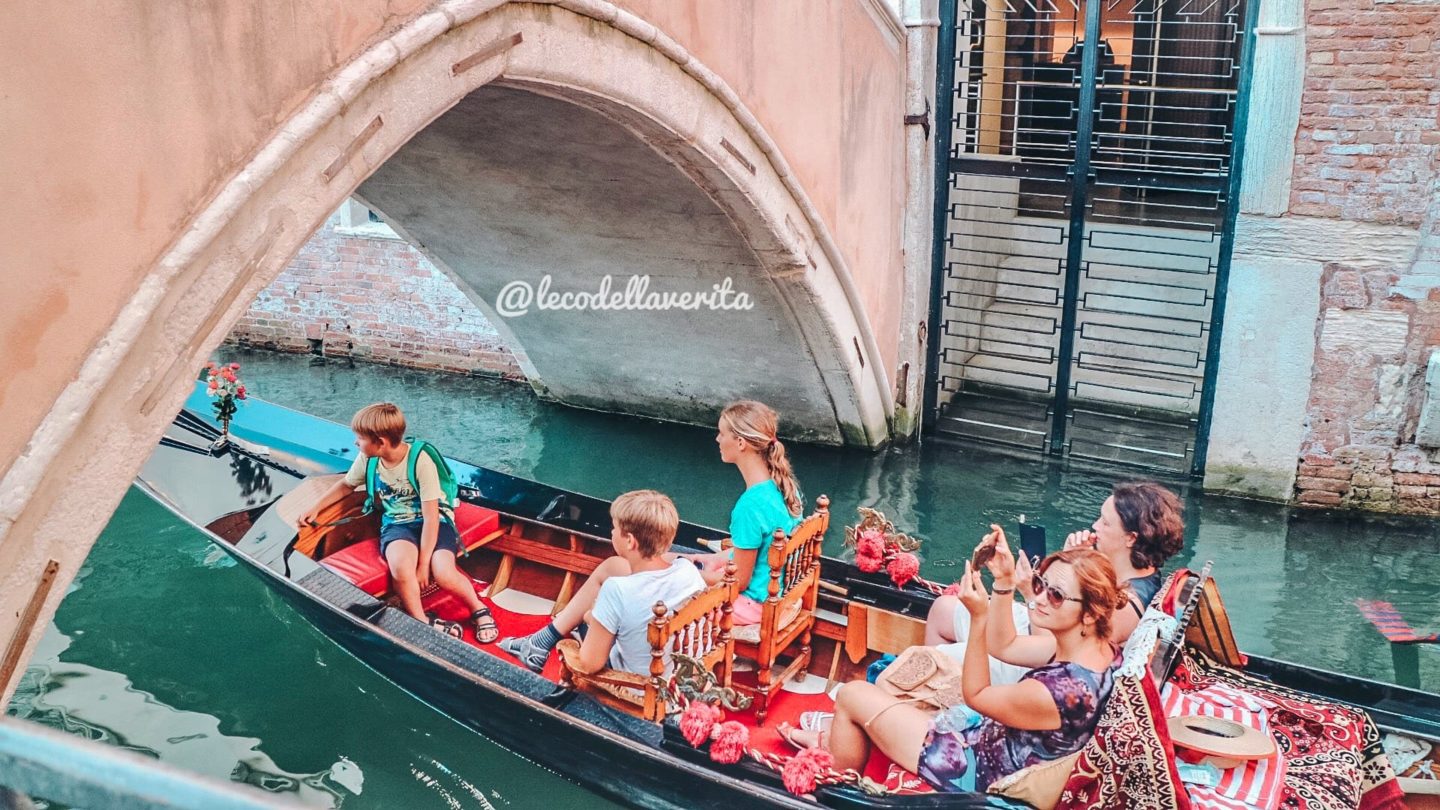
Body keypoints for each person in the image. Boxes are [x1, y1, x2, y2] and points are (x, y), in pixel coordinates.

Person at [780, 549, 1123, 793]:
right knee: (902, 692)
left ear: (1091, 614)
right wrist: (1003, 583)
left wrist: (978, 618)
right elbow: (1004, 647)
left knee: (854, 695)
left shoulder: (1060, 693)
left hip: (972, 767)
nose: (1039, 598)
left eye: (1057, 595)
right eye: (1040, 585)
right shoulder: (1096, 651)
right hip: (990, 740)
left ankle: (836, 784)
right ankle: (837, 741)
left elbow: (976, 695)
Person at [299, 402, 496, 641]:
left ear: (380, 442)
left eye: (359, 438)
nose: (355, 443)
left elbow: (432, 517)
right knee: (401, 567)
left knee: (442, 571)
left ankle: (477, 608)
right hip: (398, 523)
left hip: (433, 521)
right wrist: (315, 508)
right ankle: (420, 620)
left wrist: (423, 565)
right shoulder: (368, 458)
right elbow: (346, 485)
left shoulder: (420, 461)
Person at [925, 480, 1184, 654]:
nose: (1094, 526)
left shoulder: (1126, 607)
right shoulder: (1135, 574)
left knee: (937, 654)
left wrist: (1028, 592)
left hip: (1041, 657)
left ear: (1131, 538)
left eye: (1105, 523)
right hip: (1044, 627)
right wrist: (1076, 562)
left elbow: (1057, 651)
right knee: (941, 608)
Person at [500, 490, 706, 674]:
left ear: (630, 541)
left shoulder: (617, 589)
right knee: (612, 566)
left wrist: (591, 617)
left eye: (614, 528)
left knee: (590, 615)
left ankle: (539, 644)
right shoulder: (687, 570)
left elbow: (590, 664)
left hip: (636, 681)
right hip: (678, 670)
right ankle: (539, 642)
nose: (611, 532)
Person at [685, 400, 804, 627]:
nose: (717, 439)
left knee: (666, 592)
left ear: (740, 443)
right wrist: (707, 560)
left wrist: (689, 578)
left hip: (753, 606)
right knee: (688, 561)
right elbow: (758, 555)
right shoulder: (787, 488)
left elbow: (738, 582)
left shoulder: (749, 507)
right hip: (775, 592)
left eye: (721, 433)